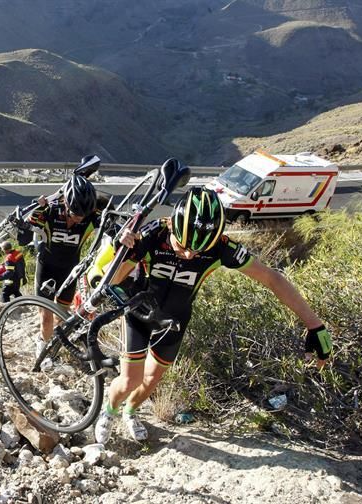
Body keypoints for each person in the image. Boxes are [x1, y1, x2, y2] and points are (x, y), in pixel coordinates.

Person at [93, 186, 332, 443]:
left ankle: (130, 412)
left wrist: (314, 325)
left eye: (197, 252)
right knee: (131, 379)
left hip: (174, 320)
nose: (189, 255)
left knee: (151, 379)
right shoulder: (152, 234)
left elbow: (272, 279)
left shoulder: (220, 248)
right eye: (183, 246)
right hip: (139, 313)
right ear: (172, 224)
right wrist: (123, 250)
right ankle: (109, 410)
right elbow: (112, 280)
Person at [28, 175, 100, 354]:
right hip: (47, 267)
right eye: (76, 214)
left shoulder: (91, 216)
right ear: (66, 204)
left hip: (69, 271)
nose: (79, 219)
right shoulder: (51, 210)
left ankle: (54, 343)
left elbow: (112, 226)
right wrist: (36, 209)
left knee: (61, 317)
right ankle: (42, 344)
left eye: (83, 215)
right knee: (46, 318)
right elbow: (25, 230)